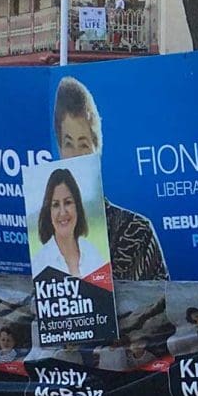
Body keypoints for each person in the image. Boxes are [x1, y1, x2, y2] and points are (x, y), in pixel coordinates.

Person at [54, 76, 169, 282]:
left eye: (84, 144)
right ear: (59, 149)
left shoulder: (137, 231)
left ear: (97, 150)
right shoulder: (45, 233)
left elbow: (161, 302)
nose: (76, 155)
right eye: (68, 144)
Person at [34, 166, 108, 280]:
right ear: (49, 212)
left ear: (77, 206)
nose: (63, 212)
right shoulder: (39, 264)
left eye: (68, 202)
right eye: (56, 205)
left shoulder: (93, 254)